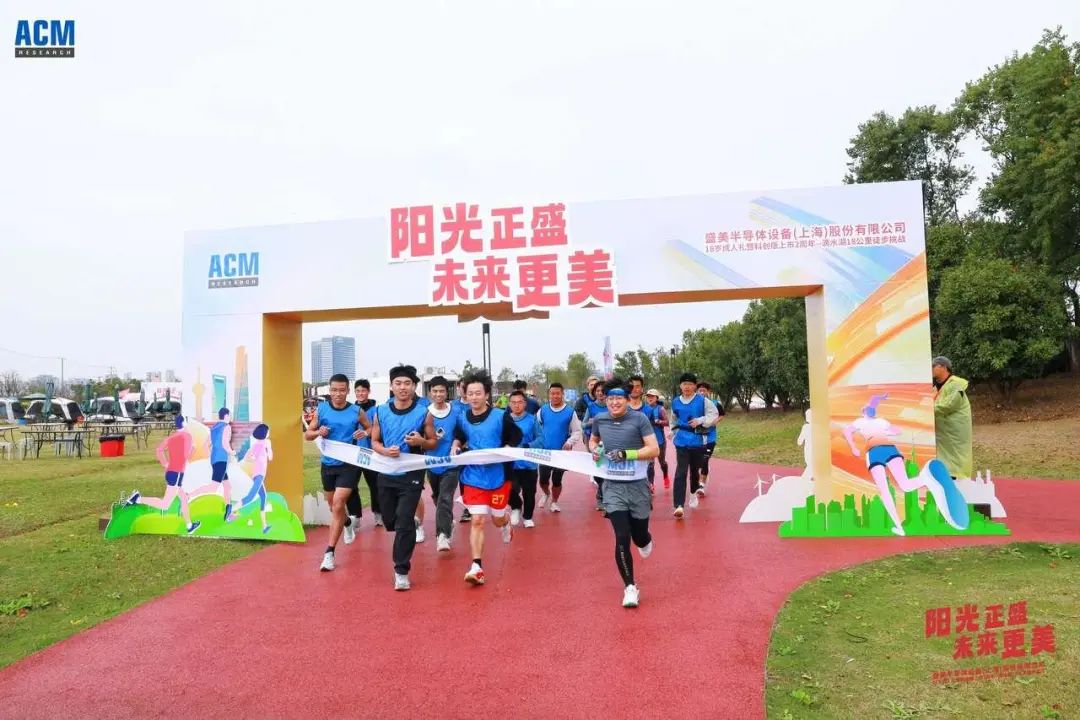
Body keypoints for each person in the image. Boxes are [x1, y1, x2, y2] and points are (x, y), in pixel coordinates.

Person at [843, 393, 968, 536]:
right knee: (905, 485)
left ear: (863, 413)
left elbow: (847, 430)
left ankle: (899, 527)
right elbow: (894, 427)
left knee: (884, 491)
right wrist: (887, 429)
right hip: (889, 448)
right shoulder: (881, 421)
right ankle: (926, 479)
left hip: (874, 451)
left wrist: (853, 447)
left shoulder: (861, 421)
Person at [589, 378, 660, 608]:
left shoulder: (639, 419)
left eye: (619, 398)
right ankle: (630, 587)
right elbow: (593, 441)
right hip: (612, 487)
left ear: (627, 400)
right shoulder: (600, 420)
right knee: (622, 535)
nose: (614, 402)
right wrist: (595, 450)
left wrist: (626, 454)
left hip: (637, 486)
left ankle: (645, 539)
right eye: (610, 398)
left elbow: (654, 449)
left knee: (639, 536)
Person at [451, 371, 523, 586]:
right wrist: (455, 445)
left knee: (496, 519)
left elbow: (516, 436)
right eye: (470, 393)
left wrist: (506, 448)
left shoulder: (500, 416)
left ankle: (505, 522)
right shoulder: (462, 418)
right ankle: (477, 567)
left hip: (499, 476)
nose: (474, 397)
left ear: (487, 395)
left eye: (478, 393)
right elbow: (459, 436)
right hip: (473, 475)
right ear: (465, 395)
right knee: (477, 520)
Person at [370, 364, 433, 591]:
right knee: (391, 521)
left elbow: (433, 442)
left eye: (407, 383)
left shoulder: (424, 412)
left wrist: (421, 442)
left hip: (412, 473)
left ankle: (401, 571)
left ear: (415, 386)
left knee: (403, 521)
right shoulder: (381, 411)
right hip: (386, 471)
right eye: (398, 383)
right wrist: (385, 451)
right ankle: (409, 524)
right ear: (391, 386)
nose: (403, 387)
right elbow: (374, 441)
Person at [303, 374, 371, 571]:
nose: (338, 394)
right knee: (334, 508)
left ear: (348, 391)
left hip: (349, 464)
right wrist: (318, 432)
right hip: (328, 465)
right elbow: (308, 434)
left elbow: (370, 428)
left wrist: (364, 433)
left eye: (342, 390)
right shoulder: (322, 409)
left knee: (339, 503)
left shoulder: (356, 411)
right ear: (329, 391)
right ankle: (347, 522)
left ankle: (329, 553)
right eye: (334, 390)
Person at [127, 415, 201, 534]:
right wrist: (193, 449)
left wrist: (165, 463)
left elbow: (159, 450)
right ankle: (137, 499)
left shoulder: (171, 437)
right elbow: (186, 456)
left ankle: (189, 525)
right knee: (165, 504)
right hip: (177, 474)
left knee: (183, 498)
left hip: (171, 472)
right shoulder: (187, 436)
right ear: (184, 423)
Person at [669, 372, 718, 519]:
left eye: (690, 384)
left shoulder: (703, 401)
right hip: (681, 441)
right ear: (680, 385)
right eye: (684, 384)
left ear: (695, 386)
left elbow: (714, 415)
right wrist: (673, 432)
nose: (687, 387)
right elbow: (673, 419)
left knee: (694, 471)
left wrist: (700, 420)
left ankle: (692, 493)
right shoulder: (675, 402)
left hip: (698, 441)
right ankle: (678, 505)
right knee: (681, 472)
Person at [421, 375, 460, 552]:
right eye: (435, 391)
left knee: (445, 497)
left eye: (442, 391)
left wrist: (457, 443)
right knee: (438, 497)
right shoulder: (424, 412)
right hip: (432, 463)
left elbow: (462, 432)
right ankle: (447, 520)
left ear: (447, 392)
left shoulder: (456, 411)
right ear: (430, 393)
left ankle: (442, 536)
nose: (438, 394)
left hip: (451, 464)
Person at [536, 382, 582, 512]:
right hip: (545, 452)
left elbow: (577, 431)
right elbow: (536, 427)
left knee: (557, 480)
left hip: (561, 453)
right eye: (552, 393)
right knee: (543, 480)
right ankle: (546, 493)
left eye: (557, 393)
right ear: (549, 395)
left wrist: (570, 442)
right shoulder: (543, 410)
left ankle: (554, 502)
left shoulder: (570, 412)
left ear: (562, 394)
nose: (555, 396)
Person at [187, 407, 237, 520]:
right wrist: (232, 452)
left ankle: (228, 513)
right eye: (229, 415)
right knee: (213, 487)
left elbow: (206, 445)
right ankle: (188, 496)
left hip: (215, 460)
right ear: (226, 416)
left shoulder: (214, 428)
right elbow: (225, 444)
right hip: (221, 460)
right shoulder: (227, 427)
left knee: (227, 486)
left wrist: (212, 456)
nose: (230, 417)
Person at [347, 379, 382, 528]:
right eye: (358, 391)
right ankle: (355, 516)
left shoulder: (376, 410)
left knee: (375, 485)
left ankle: (379, 513)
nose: (360, 393)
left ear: (368, 391)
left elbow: (379, 430)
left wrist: (367, 433)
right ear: (354, 392)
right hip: (353, 454)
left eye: (363, 390)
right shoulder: (350, 410)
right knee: (350, 485)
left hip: (371, 454)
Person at [932, 356, 973, 480]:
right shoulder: (935, 388)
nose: (931, 369)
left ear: (944, 367)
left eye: (933, 366)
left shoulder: (956, 384)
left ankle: (958, 479)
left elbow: (949, 405)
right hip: (942, 434)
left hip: (955, 432)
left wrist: (927, 409)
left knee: (956, 458)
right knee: (943, 460)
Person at [507, 390, 541, 528]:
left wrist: (528, 446)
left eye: (520, 402)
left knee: (529, 492)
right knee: (509, 488)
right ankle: (516, 506)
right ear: (509, 404)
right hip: (510, 464)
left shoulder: (532, 420)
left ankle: (528, 517)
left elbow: (541, 439)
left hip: (529, 464)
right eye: (514, 402)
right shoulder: (504, 420)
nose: (517, 405)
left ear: (525, 404)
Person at [236, 423, 273, 534]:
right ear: (264, 433)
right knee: (250, 497)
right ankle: (230, 511)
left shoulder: (264, 443)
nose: (269, 432)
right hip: (258, 474)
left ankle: (264, 526)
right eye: (268, 431)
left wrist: (268, 448)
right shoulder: (258, 445)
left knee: (263, 496)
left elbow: (270, 457)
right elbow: (247, 457)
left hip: (259, 473)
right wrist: (255, 459)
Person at [582, 381, 609, 511]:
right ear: (594, 393)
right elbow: (583, 424)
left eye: (603, 391)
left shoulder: (612, 405)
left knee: (608, 469)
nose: (600, 393)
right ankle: (600, 497)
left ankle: (604, 497)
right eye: (597, 391)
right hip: (595, 441)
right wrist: (590, 422)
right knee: (598, 469)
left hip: (610, 440)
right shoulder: (591, 407)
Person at [695, 381, 724, 492]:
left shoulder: (715, 403)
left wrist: (716, 421)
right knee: (699, 462)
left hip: (710, 436)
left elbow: (722, 414)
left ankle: (701, 485)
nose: (702, 392)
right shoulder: (694, 404)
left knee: (705, 459)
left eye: (704, 390)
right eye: (700, 390)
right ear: (697, 392)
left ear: (708, 392)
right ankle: (702, 473)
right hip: (697, 437)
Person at [642, 389, 670, 489]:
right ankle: (651, 484)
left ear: (656, 398)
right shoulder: (644, 408)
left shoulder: (660, 409)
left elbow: (667, 422)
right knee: (650, 463)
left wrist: (659, 422)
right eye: (648, 396)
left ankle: (665, 476)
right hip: (648, 440)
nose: (650, 398)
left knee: (662, 462)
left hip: (660, 440)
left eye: (652, 396)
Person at [454, 378, 473, 525]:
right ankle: (467, 506)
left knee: (473, 477)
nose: (465, 390)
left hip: (474, 448)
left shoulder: (478, 403)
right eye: (462, 387)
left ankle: (473, 505)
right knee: (462, 478)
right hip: (458, 448)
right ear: (458, 388)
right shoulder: (452, 406)